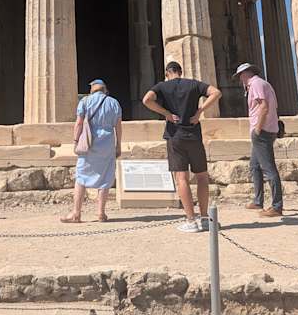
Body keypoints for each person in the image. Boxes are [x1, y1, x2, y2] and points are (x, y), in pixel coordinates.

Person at [142, 62, 222, 233]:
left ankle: (191, 220)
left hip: (175, 136)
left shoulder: (162, 86)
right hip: (194, 135)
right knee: (202, 177)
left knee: (181, 178)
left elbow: (146, 99)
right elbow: (216, 92)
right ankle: (205, 219)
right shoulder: (193, 84)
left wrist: (166, 113)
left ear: (167, 73)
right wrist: (200, 111)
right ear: (181, 71)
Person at [61, 79, 123, 223]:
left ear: (92, 90)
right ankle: (101, 212)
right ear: (105, 90)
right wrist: (118, 145)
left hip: (88, 143)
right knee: (105, 176)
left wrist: (75, 141)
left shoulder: (85, 102)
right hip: (107, 144)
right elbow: (118, 127)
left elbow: (79, 123)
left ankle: (76, 213)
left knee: (81, 176)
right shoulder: (114, 103)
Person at [234, 62, 283, 217]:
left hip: (262, 131)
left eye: (240, 76)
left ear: (245, 74)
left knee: (269, 168)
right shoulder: (264, 84)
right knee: (254, 165)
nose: (240, 80)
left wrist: (258, 129)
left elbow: (264, 107)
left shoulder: (255, 84)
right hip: (267, 129)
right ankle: (258, 201)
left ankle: (277, 206)